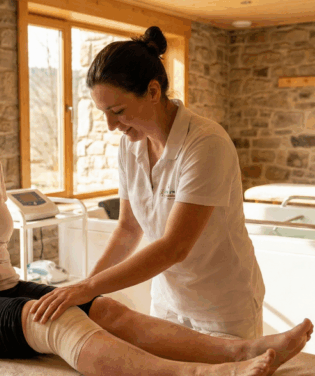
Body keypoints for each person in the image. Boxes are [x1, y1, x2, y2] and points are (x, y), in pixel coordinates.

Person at [0, 62, 313, 376]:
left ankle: (246, 347)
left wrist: (83, 287)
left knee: (104, 308)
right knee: (56, 318)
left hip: (0, 286)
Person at [31, 25, 266, 341]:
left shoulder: (206, 143)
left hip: (222, 307)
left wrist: (86, 289)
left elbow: (174, 247)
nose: (111, 125)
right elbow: (128, 229)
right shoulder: (130, 146)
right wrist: (85, 293)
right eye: (103, 113)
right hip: (168, 302)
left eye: (118, 111)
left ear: (153, 92)